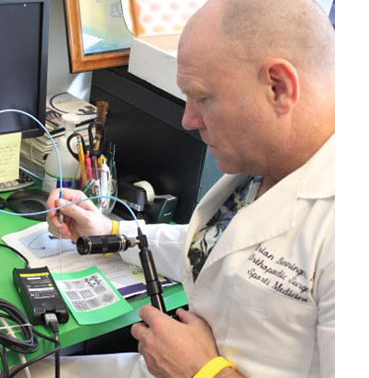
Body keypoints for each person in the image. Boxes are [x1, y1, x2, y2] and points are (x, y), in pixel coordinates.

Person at [42, 0, 335, 376]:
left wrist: (203, 371)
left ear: (278, 87)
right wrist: (111, 232)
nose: (188, 119)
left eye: (203, 98)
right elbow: (216, 247)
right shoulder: (268, 163)